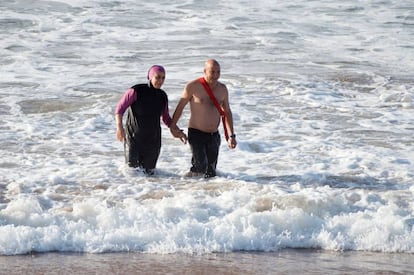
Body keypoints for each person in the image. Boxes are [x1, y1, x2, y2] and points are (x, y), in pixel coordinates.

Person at [170, 59, 237, 178]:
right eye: (212, 72)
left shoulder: (222, 89)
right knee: (200, 167)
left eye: (218, 72)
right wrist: (173, 127)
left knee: (211, 173)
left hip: (214, 136)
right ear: (204, 71)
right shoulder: (193, 86)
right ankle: (184, 184)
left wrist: (231, 136)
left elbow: (227, 112)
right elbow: (180, 107)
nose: (215, 75)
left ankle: (203, 194)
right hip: (196, 134)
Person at [115, 65, 185, 175]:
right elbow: (120, 109)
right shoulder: (136, 91)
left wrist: (177, 131)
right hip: (134, 139)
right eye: (157, 77)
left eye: (163, 78)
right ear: (150, 76)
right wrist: (119, 127)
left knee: (149, 176)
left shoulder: (162, 96)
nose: (160, 81)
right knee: (132, 173)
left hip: (153, 141)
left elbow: (166, 118)